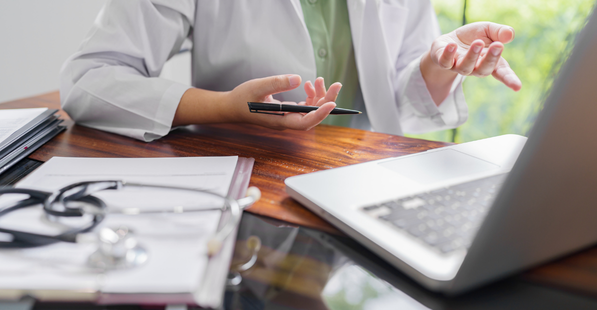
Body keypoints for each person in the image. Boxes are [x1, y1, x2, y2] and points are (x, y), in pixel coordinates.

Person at [60, 0, 521, 142]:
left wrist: (440, 64)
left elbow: (401, 93)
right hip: (246, 181)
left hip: (363, 170)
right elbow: (89, 81)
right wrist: (222, 107)